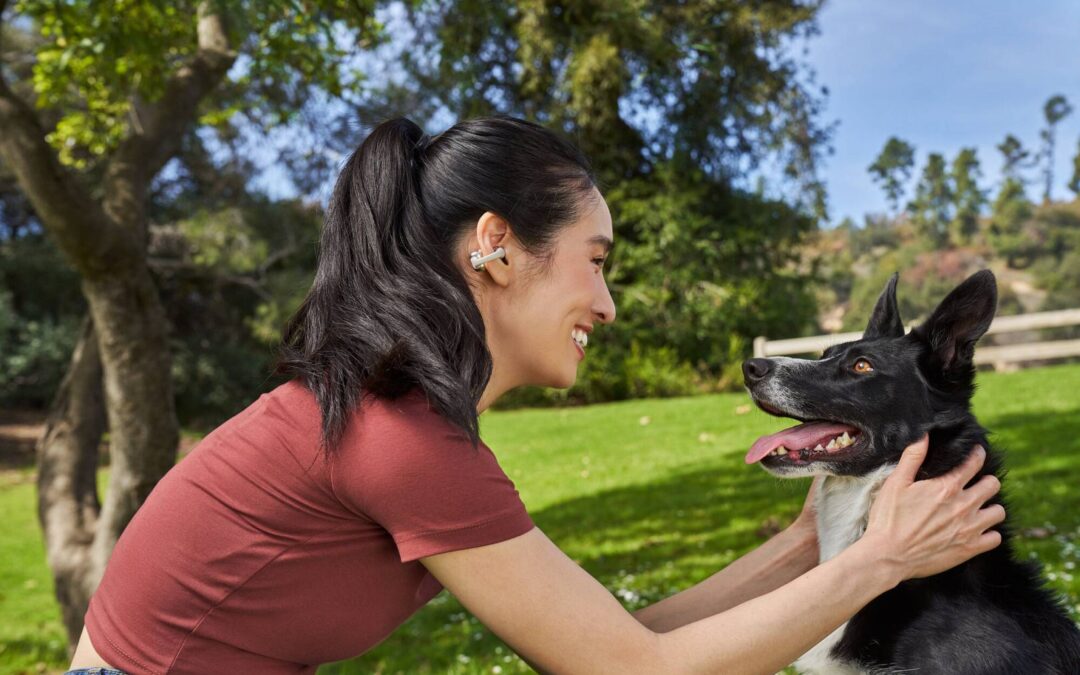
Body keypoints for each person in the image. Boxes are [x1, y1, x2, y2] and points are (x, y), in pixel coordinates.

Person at [67, 116, 1003, 674]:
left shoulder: (404, 416)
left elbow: (608, 643)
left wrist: (807, 547)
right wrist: (879, 562)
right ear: (498, 246)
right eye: (595, 261)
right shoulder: (399, 439)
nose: (606, 301)